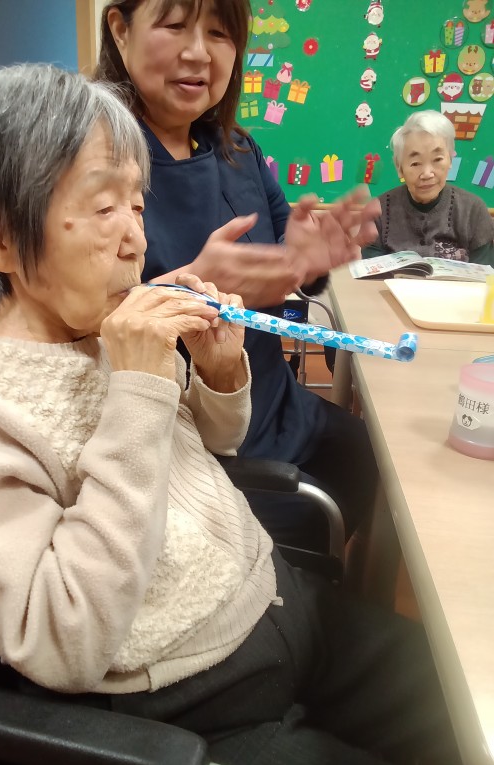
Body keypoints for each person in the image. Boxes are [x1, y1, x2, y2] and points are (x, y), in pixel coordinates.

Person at [0, 63, 474, 765]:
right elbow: (63, 637)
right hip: (187, 701)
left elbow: (213, 447)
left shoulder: (107, 316)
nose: (135, 239)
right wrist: (138, 389)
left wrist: (221, 373)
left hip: (276, 598)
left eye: (137, 205)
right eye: (103, 207)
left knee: (468, 714)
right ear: (0, 237)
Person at [95, 0, 380, 552]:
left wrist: (307, 262)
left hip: (281, 405)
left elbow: (287, 259)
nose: (198, 53)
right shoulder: (91, 162)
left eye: (220, 33)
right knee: (303, 544)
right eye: (175, 25)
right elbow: (72, 334)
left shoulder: (237, 149)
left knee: (373, 459)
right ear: (121, 29)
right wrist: (187, 289)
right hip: (196, 448)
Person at [362, 109, 494, 264]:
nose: (426, 174)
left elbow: (484, 274)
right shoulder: (378, 212)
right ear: (399, 167)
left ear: (450, 160)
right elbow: (371, 272)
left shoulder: (473, 210)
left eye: (437, 159)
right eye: (415, 163)